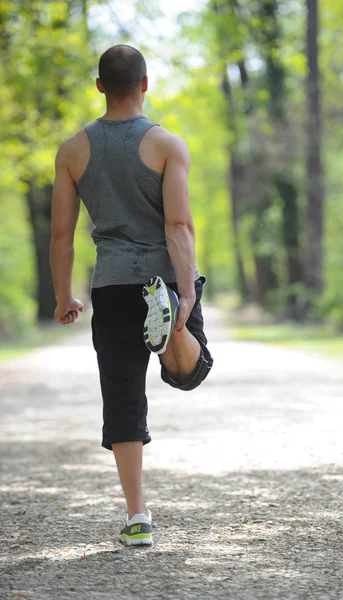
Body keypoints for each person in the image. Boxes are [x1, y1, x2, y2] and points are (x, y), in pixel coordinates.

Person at [50, 44, 213, 547]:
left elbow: (60, 235)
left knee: (122, 398)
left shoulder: (73, 151)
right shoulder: (166, 145)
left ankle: (137, 515)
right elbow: (179, 224)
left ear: (100, 86)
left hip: (112, 285)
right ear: (145, 84)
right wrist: (185, 292)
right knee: (190, 372)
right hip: (159, 278)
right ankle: (173, 328)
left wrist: (64, 297)